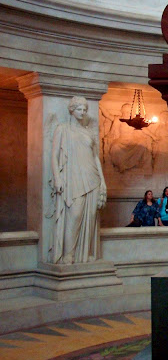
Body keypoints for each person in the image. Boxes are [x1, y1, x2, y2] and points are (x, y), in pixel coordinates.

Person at [50, 97, 107, 264]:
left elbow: (95, 158)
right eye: (79, 109)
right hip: (73, 176)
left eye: (84, 110)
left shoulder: (88, 132)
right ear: (72, 110)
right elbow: (54, 156)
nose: (82, 112)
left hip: (92, 176)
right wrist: (57, 177)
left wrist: (103, 181)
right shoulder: (62, 129)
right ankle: (69, 254)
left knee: (91, 216)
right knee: (75, 215)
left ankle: (85, 253)